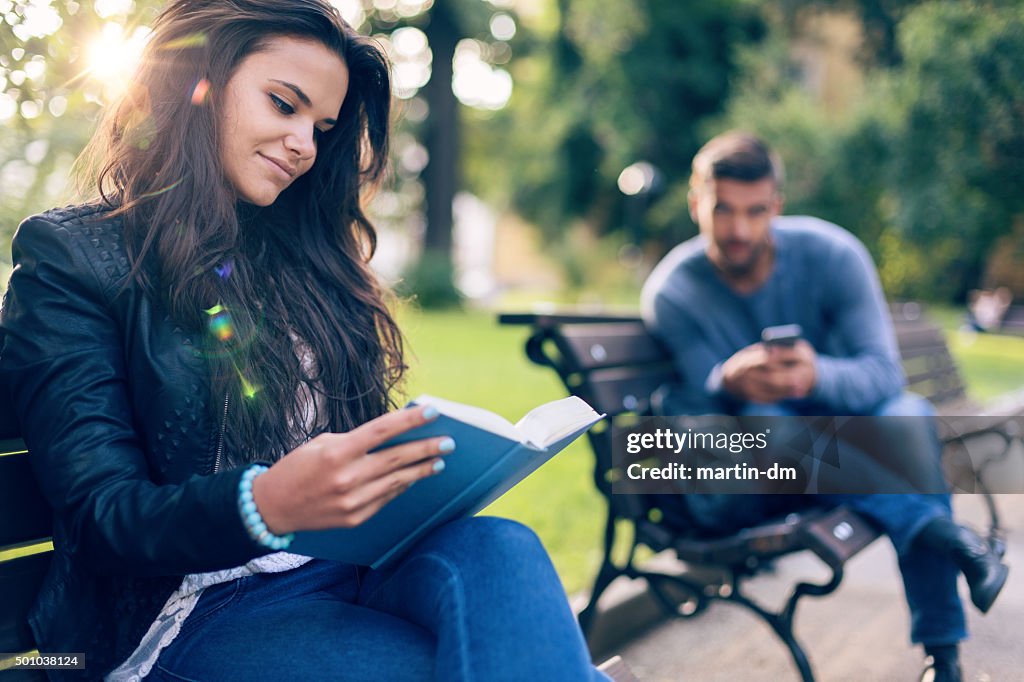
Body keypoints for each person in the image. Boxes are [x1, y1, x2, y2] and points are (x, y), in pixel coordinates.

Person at [0, 2, 609, 680]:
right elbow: (100, 518)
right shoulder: (73, 258)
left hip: (351, 565)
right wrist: (264, 504)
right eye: (283, 104)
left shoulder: (300, 254)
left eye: (321, 127)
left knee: (499, 545)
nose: (305, 145)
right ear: (197, 81)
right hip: (197, 611)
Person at [641, 131, 1009, 682]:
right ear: (696, 203)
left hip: (855, 429)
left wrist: (814, 374)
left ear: (777, 207)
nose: (738, 230)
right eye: (722, 211)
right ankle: (948, 543)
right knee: (766, 422)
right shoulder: (673, 291)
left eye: (755, 211)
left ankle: (943, 658)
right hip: (763, 455)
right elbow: (705, 393)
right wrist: (732, 378)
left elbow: (882, 375)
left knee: (909, 419)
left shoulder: (833, 255)